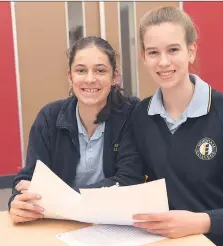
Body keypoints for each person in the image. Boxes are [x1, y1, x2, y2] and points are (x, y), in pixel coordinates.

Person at [131, 6, 223, 246]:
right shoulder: (141, 116)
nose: (163, 61)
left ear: (191, 51)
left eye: (173, 49)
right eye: (153, 52)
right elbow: (131, 180)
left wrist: (198, 222)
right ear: (143, 57)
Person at [8, 36, 145, 224]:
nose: (90, 79)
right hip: (61, 222)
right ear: (70, 76)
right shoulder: (49, 117)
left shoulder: (131, 114)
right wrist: (16, 201)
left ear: (114, 77)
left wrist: (62, 197)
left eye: (100, 70)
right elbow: (29, 178)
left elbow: (129, 179)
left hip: (113, 222)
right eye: (81, 70)